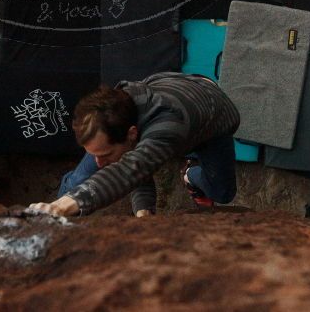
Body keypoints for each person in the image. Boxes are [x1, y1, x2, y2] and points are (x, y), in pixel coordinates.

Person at [28, 72, 240, 217]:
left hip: (212, 116)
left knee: (222, 193)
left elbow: (131, 169)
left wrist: (65, 206)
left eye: (105, 154)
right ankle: (56, 220)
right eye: (93, 153)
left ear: (131, 133)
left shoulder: (168, 126)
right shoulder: (119, 105)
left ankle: (191, 174)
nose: (99, 163)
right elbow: (135, 161)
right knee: (80, 181)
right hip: (171, 87)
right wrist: (143, 210)